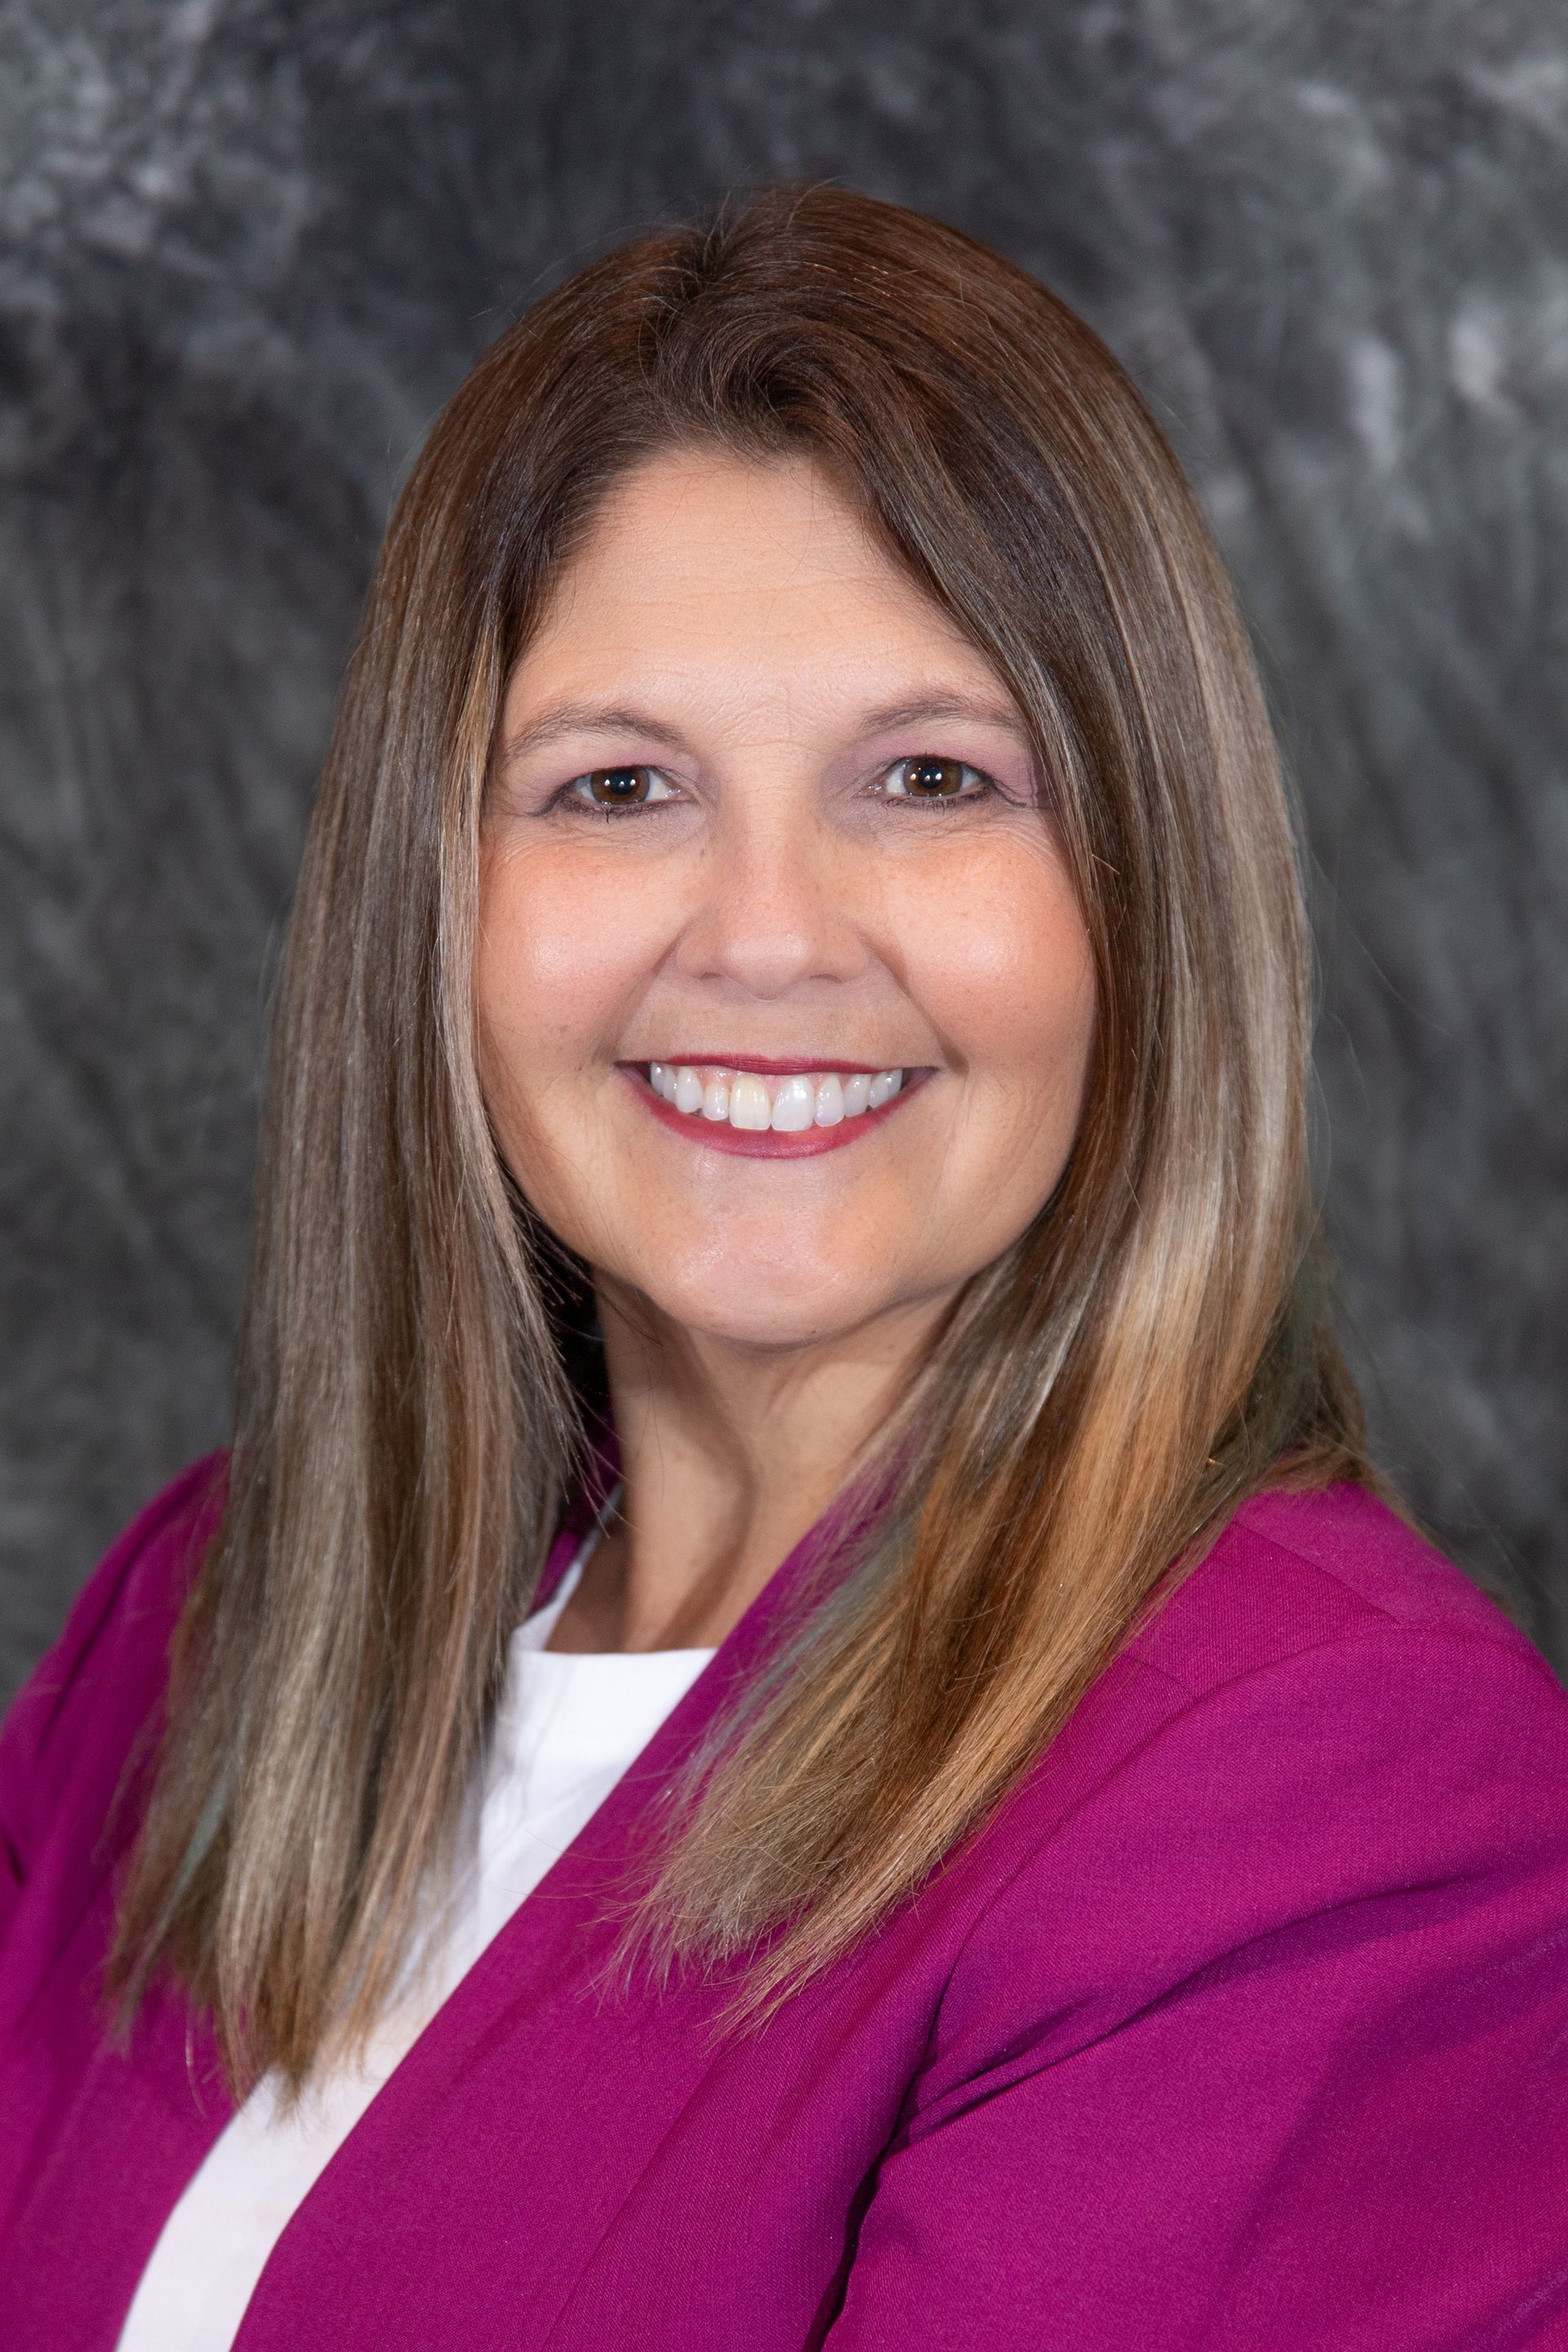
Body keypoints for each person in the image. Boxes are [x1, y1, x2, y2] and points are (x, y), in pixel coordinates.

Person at [2, 185, 1565, 2352]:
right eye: (617, 786)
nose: (764, 937)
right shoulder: (207, 1629)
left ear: (1144, 896)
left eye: (930, 778)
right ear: (433, 900)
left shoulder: (1326, 1798)